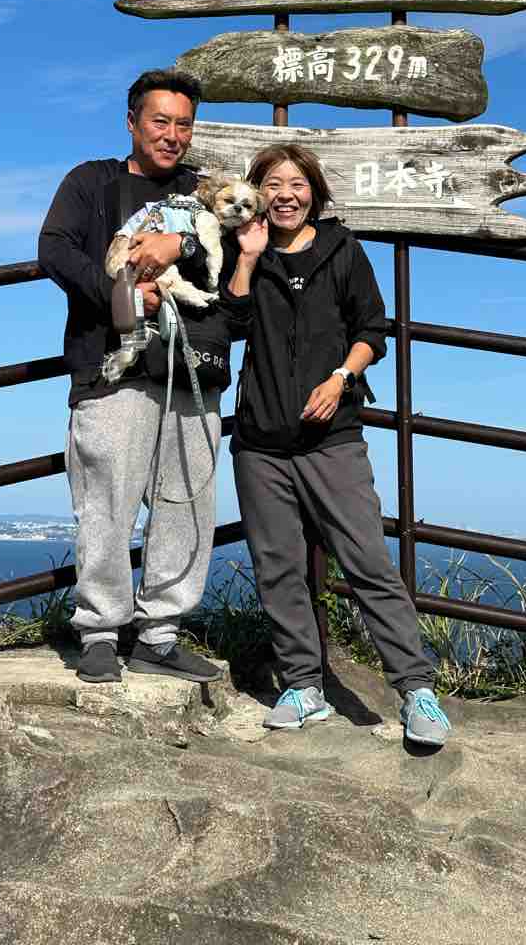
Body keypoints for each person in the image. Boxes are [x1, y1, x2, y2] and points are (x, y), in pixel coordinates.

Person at [223, 143, 451, 746]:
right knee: (278, 568)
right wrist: (247, 258)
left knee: (368, 561)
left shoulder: (342, 249)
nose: (285, 195)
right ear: (258, 194)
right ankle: (303, 686)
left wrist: (341, 378)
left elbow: (372, 329)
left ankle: (416, 690)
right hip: (260, 443)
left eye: (297, 184)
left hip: (333, 438)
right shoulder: (244, 250)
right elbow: (230, 324)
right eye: (273, 185)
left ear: (314, 192)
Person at [38, 69, 223, 685]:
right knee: (105, 504)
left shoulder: (202, 191)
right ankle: (99, 630)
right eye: (159, 121)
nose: (172, 135)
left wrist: (180, 246)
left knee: (186, 503)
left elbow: (237, 243)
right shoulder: (91, 181)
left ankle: (160, 635)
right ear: (132, 123)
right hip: (110, 369)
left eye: (183, 124)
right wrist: (119, 293)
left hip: (192, 369)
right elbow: (55, 248)